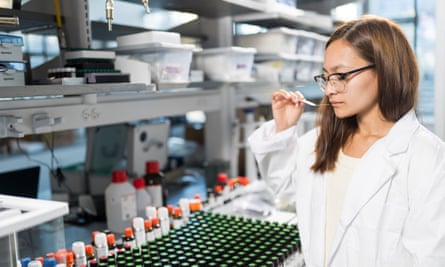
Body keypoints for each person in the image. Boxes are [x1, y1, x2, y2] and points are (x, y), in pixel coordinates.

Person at [248, 15, 445, 266]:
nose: (330, 89)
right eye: (327, 77)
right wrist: (283, 130)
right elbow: (284, 186)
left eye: (341, 75)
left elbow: (431, 258)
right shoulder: (322, 140)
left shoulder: (429, 158)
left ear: (385, 70)